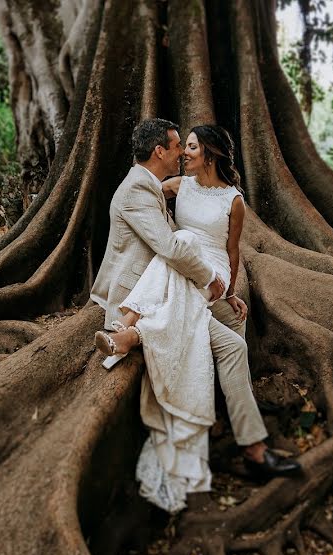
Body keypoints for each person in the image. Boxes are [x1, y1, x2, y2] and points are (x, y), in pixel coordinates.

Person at [90, 119, 301, 513]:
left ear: (210, 152)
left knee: (232, 325)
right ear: (163, 151)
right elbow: (165, 229)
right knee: (230, 340)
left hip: (211, 273)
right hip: (187, 274)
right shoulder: (173, 185)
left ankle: (236, 408)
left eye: (190, 147)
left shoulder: (233, 200)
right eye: (179, 146)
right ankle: (250, 440)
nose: (184, 152)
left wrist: (231, 288)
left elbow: (233, 251)